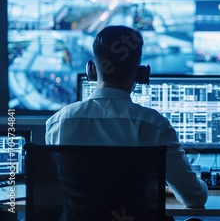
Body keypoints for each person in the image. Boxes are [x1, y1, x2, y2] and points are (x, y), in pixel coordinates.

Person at [46, 25, 208, 208]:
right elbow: (194, 199)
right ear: (141, 73)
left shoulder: (58, 123)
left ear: (91, 70)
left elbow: (54, 192)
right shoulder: (154, 126)